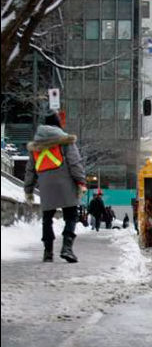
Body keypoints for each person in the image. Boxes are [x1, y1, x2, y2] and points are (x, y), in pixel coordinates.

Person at [24, 110, 86, 263]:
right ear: (58, 125)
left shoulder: (36, 147)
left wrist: (29, 190)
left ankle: (48, 252)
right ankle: (67, 248)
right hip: (65, 182)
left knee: (47, 218)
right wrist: (81, 181)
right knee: (71, 216)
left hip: (45, 185)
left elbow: (30, 170)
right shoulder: (65, 141)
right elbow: (74, 163)